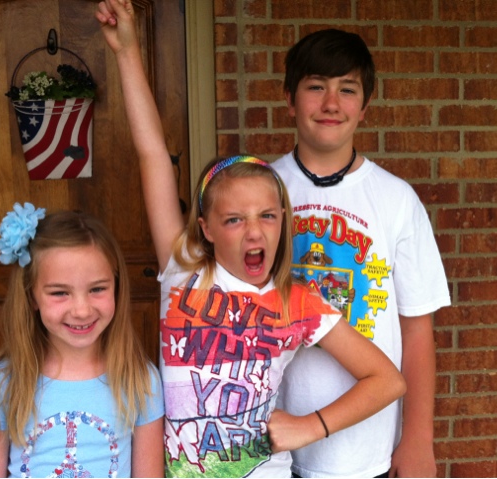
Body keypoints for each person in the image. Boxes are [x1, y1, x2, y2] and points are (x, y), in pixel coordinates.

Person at [96, 1, 406, 477]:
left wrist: (311, 426)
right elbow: (153, 154)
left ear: (283, 220)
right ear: (206, 228)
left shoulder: (298, 303)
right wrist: (126, 51)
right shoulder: (184, 272)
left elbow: (387, 380)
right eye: (234, 220)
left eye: (266, 216)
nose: (255, 231)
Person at [273, 28, 451, 477]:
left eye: (347, 90)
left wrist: (418, 438)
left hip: (363, 450)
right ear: (290, 100)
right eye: (316, 87)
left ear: (365, 106)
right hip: (270, 443)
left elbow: (417, 330)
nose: (331, 103)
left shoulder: (396, 199)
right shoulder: (258, 190)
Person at [0, 203, 165, 478]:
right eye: (60, 293)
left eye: (97, 289)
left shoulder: (140, 381)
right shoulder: (5, 385)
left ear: (117, 289)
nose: (82, 310)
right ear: (31, 296)